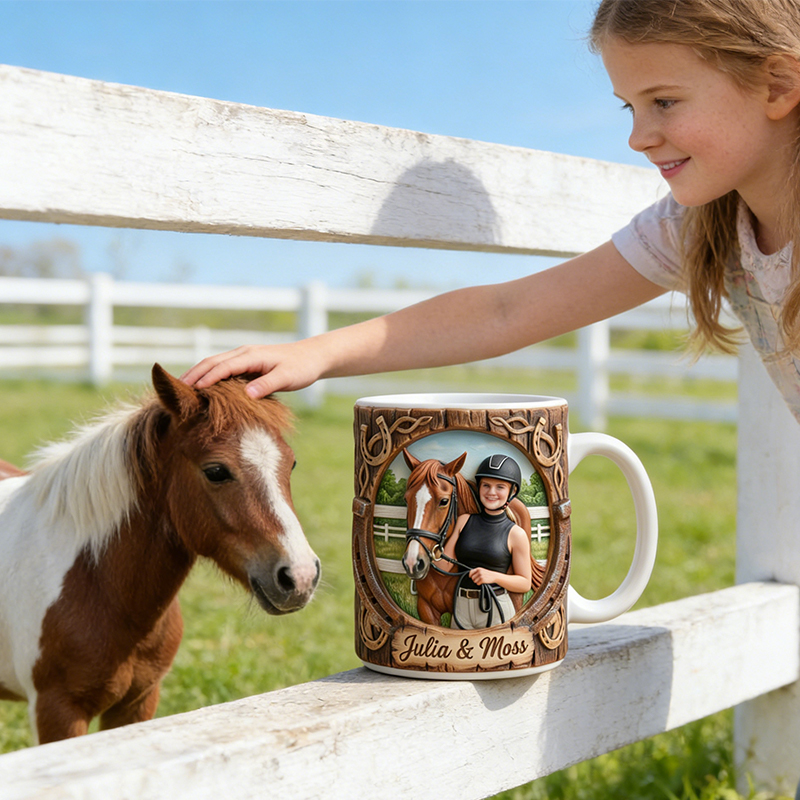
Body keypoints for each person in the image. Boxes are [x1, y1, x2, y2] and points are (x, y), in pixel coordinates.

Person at [183, 0, 800, 434]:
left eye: (664, 101)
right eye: (629, 107)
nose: (639, 137)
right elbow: (507, 311)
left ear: (777, 85)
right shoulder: (696, 229)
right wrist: (315, 354)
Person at [440, 455, 533, 630]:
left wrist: (493, 576)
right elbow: (444, 565)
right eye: (486, 485)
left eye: (500, 487)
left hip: (495, 605)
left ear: (511, 492)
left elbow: (524, 583)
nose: (491, 492)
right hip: (462, 605)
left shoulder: (515, 534)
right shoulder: (464, 521)